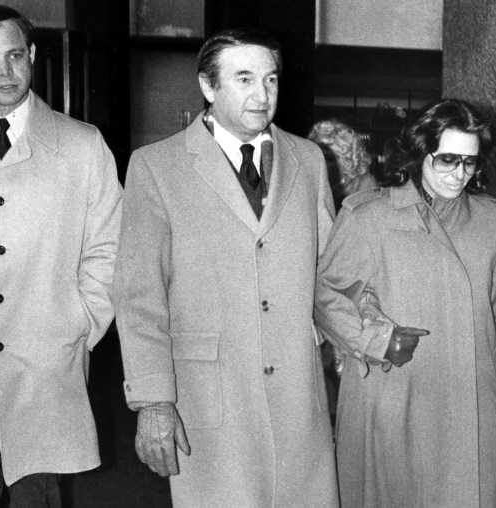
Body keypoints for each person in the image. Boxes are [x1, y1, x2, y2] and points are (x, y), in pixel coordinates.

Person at [113, 28, 340, 507]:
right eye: (244, 79)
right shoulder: (156, 167)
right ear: (208, 87)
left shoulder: (309, 160)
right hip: (211, 399)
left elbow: (329, 276)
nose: (262, 95)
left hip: (299, 399)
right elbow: (138, 297)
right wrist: (154, 400)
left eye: (271, 79)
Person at [0, 5, 122, 506]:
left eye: (15, 55)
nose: (5, 72)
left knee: (41, 495)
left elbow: (109, 249)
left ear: (32, 55)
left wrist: (79, 320)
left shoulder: (82, 145)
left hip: (45, 367)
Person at [315, 98, 496, 507]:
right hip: (394, 398)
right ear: (421, 152)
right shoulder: (368, 216)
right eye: (447, 160)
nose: (459, 174)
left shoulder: (492, 220)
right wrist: (375, 340)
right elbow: (324, 294)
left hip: (469, 406)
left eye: (470, 163)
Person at [308, 119, 377, 212]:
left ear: (348, 160)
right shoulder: (311, 184)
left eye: (328, 157)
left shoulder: (365, 186)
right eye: (317, 156)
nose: (321, 163)